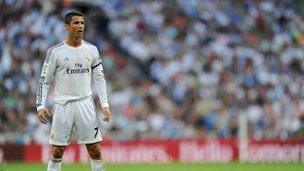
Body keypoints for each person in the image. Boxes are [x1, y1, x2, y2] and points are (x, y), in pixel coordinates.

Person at [36, 11, 111, 171]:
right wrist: (40, 105)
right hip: (63, 105)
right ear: (67, 26)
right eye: (76, 23)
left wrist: (105, 103)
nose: (80, 26)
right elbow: (44, 80)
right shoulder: (55, 52)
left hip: (86, 104)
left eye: (82, 23)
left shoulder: (92, 50)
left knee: (95, 149)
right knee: (57, 151)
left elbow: (99, 78)